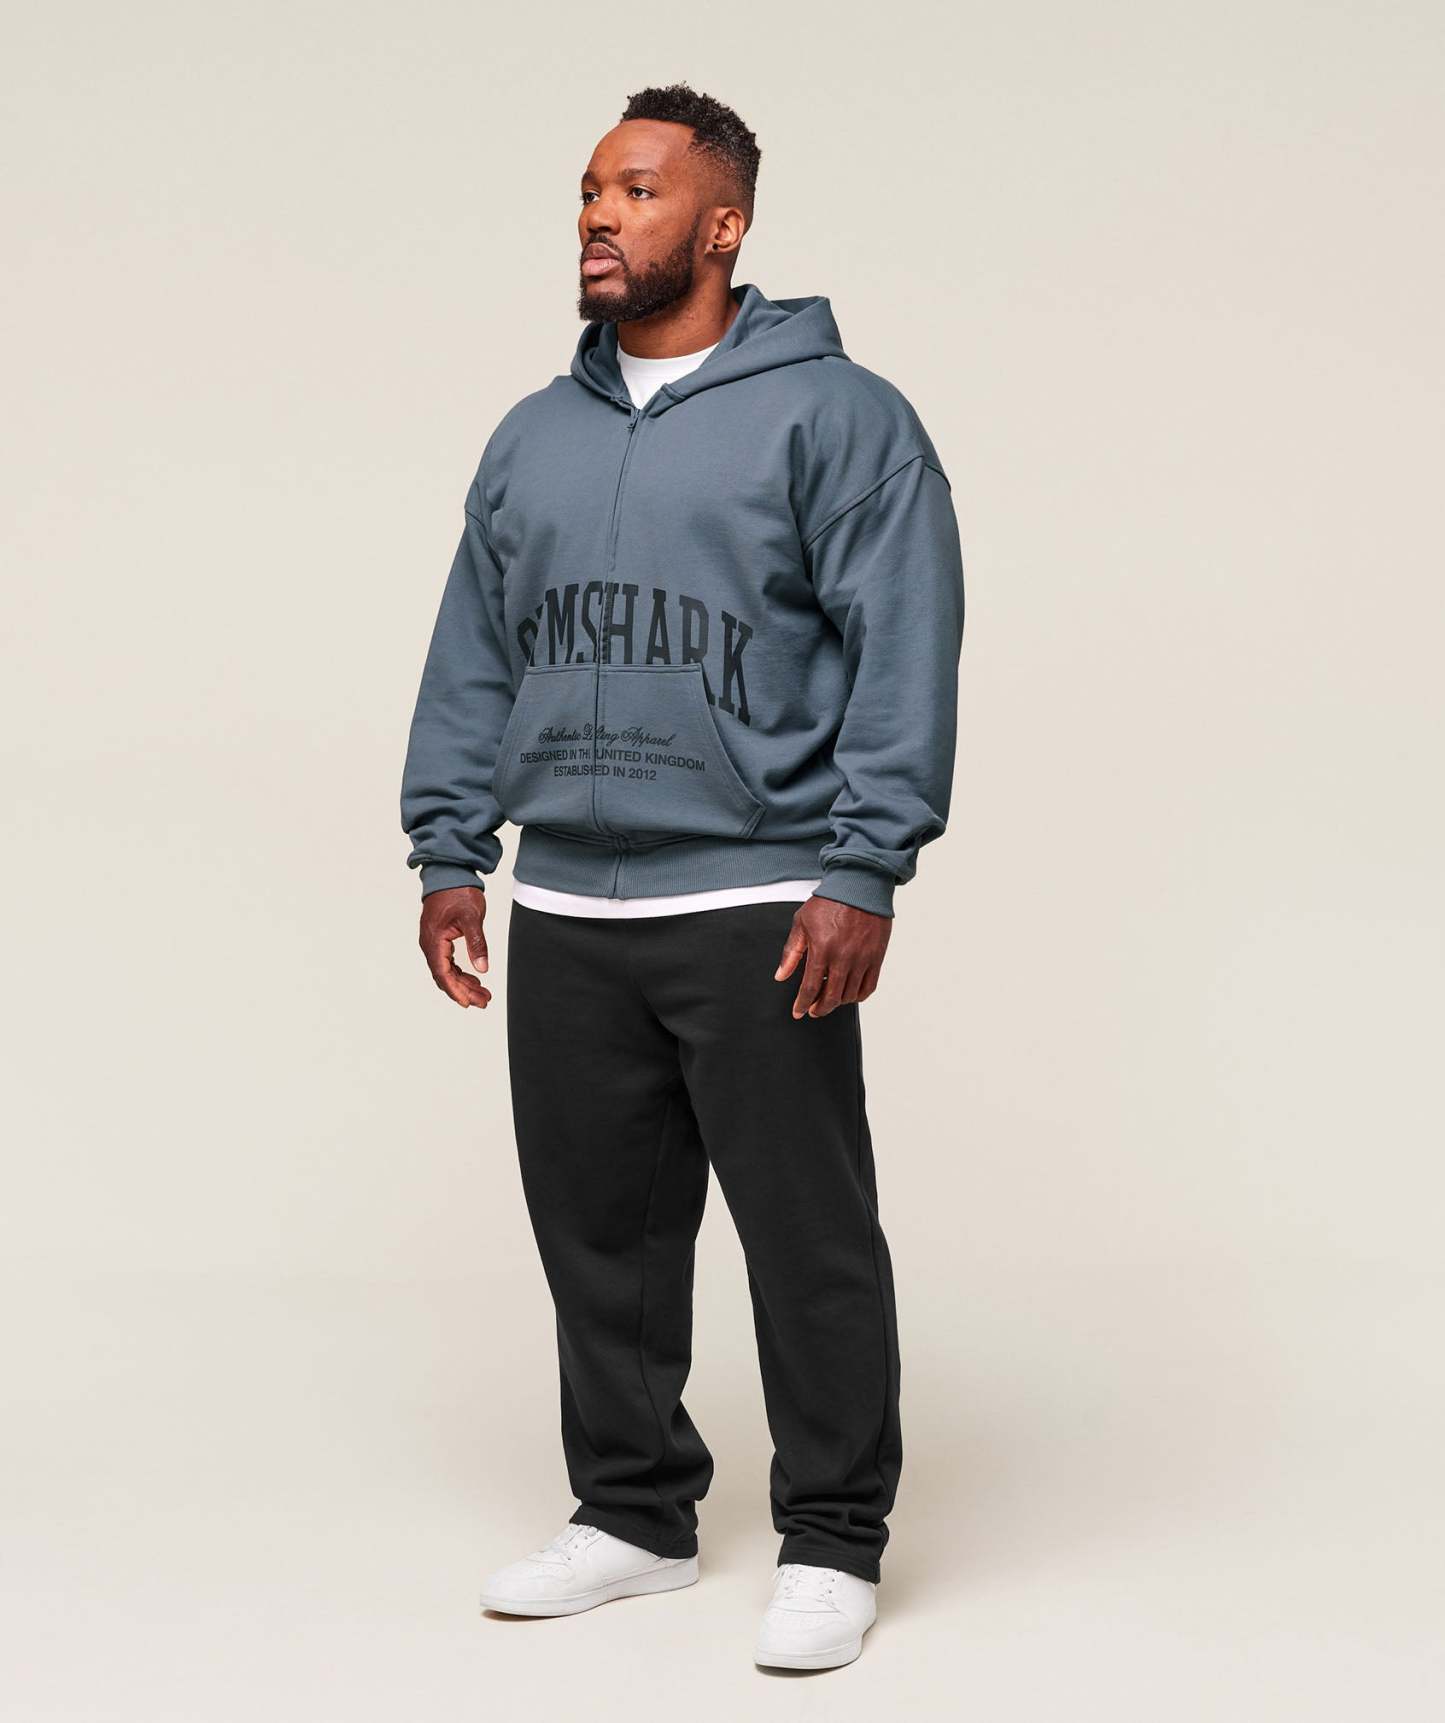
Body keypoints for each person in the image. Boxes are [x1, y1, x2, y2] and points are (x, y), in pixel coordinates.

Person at [400, 80, 965, 1671]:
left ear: (720, 226)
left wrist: (863, 866)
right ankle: (634, 1516)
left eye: (637, 191)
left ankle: (832, 1538)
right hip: (567, 901)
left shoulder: (836, 417)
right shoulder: (533, 436)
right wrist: (450, 845)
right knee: (599, 1235)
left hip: (755, 897)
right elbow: (473, 654)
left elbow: (901, 646)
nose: (599, 215)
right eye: (590, 190)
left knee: (805, 1235)